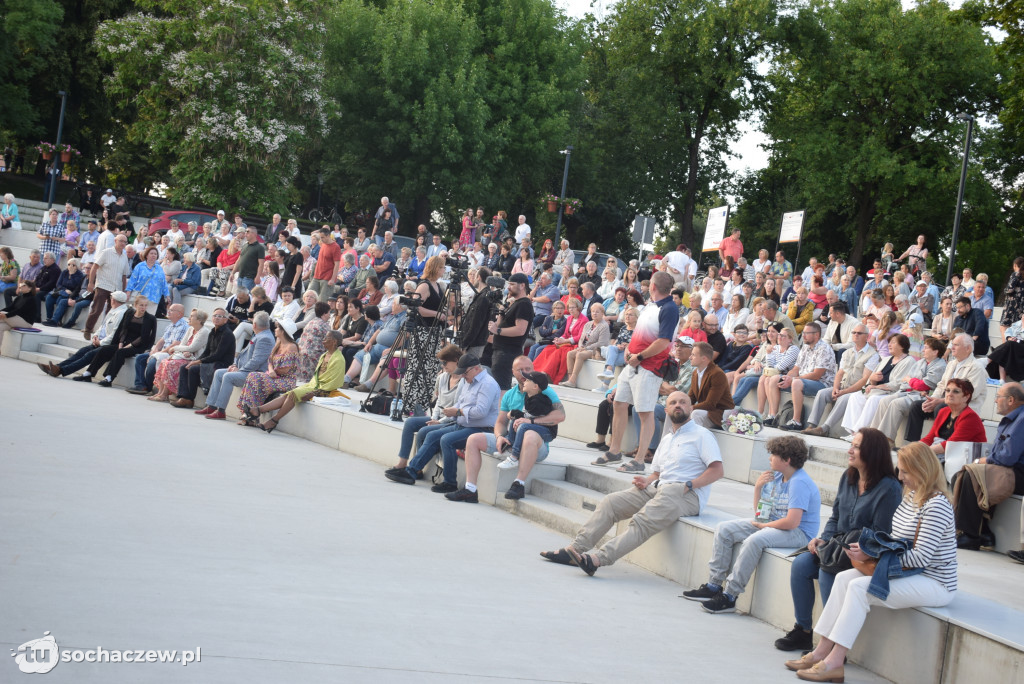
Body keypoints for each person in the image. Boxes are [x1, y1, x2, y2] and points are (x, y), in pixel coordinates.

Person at [785, 442, 956, 683]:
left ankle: (835, 661)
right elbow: (894, 541)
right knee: (844, 578)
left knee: (858, 587)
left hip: (934, 581)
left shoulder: (936, 505)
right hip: (906, 572)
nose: (901, 477)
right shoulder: (911, 498)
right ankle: (820, 651)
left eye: (906, 471)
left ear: (923, 469)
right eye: (901, 470)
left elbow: (921, 558)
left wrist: (873, 556)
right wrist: (868, 549)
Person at [541, 391, 723, 576]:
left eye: (683, 402)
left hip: (687, 494)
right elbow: (658, 473)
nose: (678, 405)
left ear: (691, 408)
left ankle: (598, 559)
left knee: (642, 520)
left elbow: (717, 470)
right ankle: (575, 550)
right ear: (666, 409)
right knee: (610, 503)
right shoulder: (667, 438)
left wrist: (689, 485)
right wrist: (647, 480)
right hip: (659, 488)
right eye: (673, 402)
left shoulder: (702, 435)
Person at [775, 428, 902, 652]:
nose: (849, 450)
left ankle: (831, 644)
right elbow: (835, 517)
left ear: (872, 451)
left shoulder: (889, 488)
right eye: (851, 444)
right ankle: (803, 631)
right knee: (801, 564)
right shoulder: (848, 477)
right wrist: (823, 539)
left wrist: (861, 549)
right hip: (838, 545)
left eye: (856, 446)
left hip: (863, 553)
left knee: (828, 569)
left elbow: (883, 533)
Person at [683, 435, 820, 614]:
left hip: (799, 532)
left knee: (754, 540)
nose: (770, 458)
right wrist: (758, 488)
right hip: (775, 524)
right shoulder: (777, 476)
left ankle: (730, 596)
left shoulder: (799, 483)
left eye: (773, 455)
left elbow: (792, 522)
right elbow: (760, 514)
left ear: (786, 460)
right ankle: (714, 585)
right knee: (724, 529)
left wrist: (764, 527)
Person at [591, 272, 679, 469]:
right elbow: (639, 333)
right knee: (619, 403)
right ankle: (614, 451)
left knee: (645, 412)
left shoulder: (670, 309)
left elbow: (663, 342)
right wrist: (630, 350)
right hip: (634, 363)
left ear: (654, 287)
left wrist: (639, 357)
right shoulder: (650, 306)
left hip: (649, 366)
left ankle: (639, 459)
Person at [385, 353, 501, 492]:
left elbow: (481, 411)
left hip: (481, 429)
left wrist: (457, 412)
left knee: (447, 440)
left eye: (465, 373)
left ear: (476, 368)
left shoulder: (487, 384)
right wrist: (450, 413)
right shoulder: (469, 380)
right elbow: (461, 402)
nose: (463, 376)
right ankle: (411, 471)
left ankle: (450, 482)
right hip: (463, 424)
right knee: (432, 435)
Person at [387, 344, 465, 477]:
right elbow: (439, 401)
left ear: (456, 360)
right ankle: (403, 461)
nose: (443, 366)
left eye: (445, 362)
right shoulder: (443, 377)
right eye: (441, 363)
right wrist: (434, 418)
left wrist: (439, 421)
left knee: (424, 431)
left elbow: (457, 409)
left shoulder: (463, 381)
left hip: (451, 420)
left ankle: (416, 468)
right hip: (439, 417)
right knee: (410, 423)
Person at [249, 330, 347, 433]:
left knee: (293, 394)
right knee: (288, 394)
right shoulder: (324, 355)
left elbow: (333, 383)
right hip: (313, 385)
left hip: (323, 390)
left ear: (334, 342)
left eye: (326, 338)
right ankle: (258, 410)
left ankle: (273, 420)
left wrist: (314, 393)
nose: (323, 340)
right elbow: (316, 378)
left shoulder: (339, 359)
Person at [899, 333, 988, 444]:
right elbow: (941, 385)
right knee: (917, 406)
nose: (952, 347)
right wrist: (932, 400)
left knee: (941, 408)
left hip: (964, 408)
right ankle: (913, 444)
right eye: (952, 344)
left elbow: (970, 395)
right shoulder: (951, 364)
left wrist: (940, 401)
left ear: (968, 348)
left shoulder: (977, 367)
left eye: (956, 345)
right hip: (946, 402)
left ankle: (940, 442)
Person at [796, 324, 878, 436]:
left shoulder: (873, 355)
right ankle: (812, 425)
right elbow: (839, 373)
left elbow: (865, 380)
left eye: (859, 333)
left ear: (866, 336)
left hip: (860, 390)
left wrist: (843, 392)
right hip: (843, 386)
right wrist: (835, 388)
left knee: (843, 398)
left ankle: (824, 428)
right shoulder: (847, 352)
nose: (855, 335)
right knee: (822, 393)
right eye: (854, 333)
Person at [196, 312, 277, 420]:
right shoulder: (260, 334)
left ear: (254, 325)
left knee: (228, 376)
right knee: (219, 373)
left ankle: (220, 410)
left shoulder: (265, 338)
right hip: (246, 370)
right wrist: (234, 364)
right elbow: (243, 355)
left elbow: (256, 361)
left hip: (255, 374)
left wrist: (239, 370)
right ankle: (211, 406)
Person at [37, 292, 130, 379]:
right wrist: (95, 337)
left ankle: (60, 370)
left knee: (88, 355)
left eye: (111, 298)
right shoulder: (113, 310)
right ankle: (57, 367)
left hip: (107, 345)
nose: (109, 299)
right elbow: (102, 326)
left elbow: (114, 334)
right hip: (100, 341)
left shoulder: (121, 313)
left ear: (113, 300)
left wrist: (100, 342)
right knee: (82, 351)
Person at [70, 293, 157, 386]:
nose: (143, 307)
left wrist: (129, 346)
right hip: (124, 342)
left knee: (120, 352)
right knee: (104, 349)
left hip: (137, 345)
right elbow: (124, 329)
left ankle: (109, 378)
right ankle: (88, 374)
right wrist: (120, 342)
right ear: (135, 305)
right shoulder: (129, 313)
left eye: (145, 305)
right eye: (141, 305)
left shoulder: (150, 318)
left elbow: (144, 337)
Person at [230, 320, 302, 424]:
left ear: (283, 331)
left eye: (278, 328)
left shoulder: (292, 346)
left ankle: (250, 415)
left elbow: (286, 369)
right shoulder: (278, 343)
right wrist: (271, 370)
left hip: (286, 380)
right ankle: (248, 413)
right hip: (274, 376)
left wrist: (273, 372)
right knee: (252, 376)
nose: (275, 329)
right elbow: (270, 361)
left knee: (256, 377)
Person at [770, 322, 837, 430]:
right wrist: (788, 377)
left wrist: (793, 379)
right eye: (803, 332)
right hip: (803, 380)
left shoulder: (824, 349)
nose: (803, 335)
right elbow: (796, 369)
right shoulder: (805, 347)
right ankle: (773, 416)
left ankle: (797, 422)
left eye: (807, 333)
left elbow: (816, 375)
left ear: (816, 335)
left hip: (822, 384)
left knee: (796, 383)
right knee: (774, 379)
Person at [172, 308, 236, 409]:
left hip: (221, 363)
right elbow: (207, 352)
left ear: (226, 320)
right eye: (215, 315)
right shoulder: (212, 332)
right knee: (185, 367)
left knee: (193, 369)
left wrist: (198, 361)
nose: (217, 318)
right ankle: (185, 398)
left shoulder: (227, 334)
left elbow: (218, 355)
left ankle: (189, 398)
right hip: (210, 361)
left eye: (220, 316)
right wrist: (195, 361)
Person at [145, 309, 211, 402]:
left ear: (199, 320)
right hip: (184, 355)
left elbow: (192, 348)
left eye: (192, 316)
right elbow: (183, 345)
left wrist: (175, 348)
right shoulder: (190, 329)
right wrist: (183, 350)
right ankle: (160, 392)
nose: (189, 318)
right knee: (164, 362)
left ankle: (164, 394)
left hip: (195, 358)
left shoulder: (204, 332)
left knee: (171, 365)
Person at [488, 273, 534, 390]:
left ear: (522, 285)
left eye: (512, 284)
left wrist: (497, 330)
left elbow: (520, 330)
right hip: (500, 350)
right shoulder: (515, 303)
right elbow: (500, 325)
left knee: (501, 387)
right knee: (496, 386)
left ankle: (502, 408)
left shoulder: (524, 304)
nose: (509, 287)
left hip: (507, 352)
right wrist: (501, 313)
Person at [921, 378, 987, 461]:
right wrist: (915, 448)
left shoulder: (970, 417)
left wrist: (921, 452)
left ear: (966, 397)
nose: (949, 394)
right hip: (944, 455)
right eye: (947, 390)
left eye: (956, 391)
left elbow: (951, 444)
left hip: (963, 462)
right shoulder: (943, 411)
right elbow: (930, 437)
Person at [83, 234, 132, 340]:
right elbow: (94, 267)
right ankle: (88, 329)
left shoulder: (124, 256)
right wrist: (91, 283)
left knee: (112, 313)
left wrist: (123, 290)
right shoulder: (106, 252)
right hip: (103, 285)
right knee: (97, 309)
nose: (123, 243)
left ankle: (105, 333)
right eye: (121, 241)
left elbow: (124, 275)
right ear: (115, 241)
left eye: (125, 242)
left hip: (116, 288)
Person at [687, 341, 735, 430]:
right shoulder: (695, 373)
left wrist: (690, 407)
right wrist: (680, 405)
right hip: (706, 411)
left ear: (704, 358)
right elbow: (691, 397)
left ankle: (694, 442)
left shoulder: (717, 373)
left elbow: (710, 404)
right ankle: (667, 441)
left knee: (696, 413)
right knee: (674, 411)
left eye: (693, 355)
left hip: (719, 414)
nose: (690, 357)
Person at [125, 246, 170, 316]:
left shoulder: (159, 268)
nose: (153, 255)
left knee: (148, 320)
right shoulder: (140, 266)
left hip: (154, 298)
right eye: (151, 253)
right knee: (136, 317)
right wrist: (128, 292)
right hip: (141, 297)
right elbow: (132, 280)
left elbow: (163, 283)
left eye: (155, 254)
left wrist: (167, 296)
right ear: (146, 255)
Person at [42, 259, 86, 326]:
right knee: (49, 298)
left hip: (72, 294)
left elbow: (76, 287)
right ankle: (49, 318)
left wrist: (72, 275)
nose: (70, 266)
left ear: (77, 266)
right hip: (62, 291)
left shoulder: (80, 275)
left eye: (73, 265)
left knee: (61, 298)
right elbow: (58, 284)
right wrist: (65, 289)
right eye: (69, 264)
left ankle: (57, 320)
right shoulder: (64, 272)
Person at [0, 280, 39, 346]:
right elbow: (10, 308)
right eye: (21, 285)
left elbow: (19, 310)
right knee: (0, 327)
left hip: (26, 322)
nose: (21, 287)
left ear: (30, 288)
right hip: (16, 320)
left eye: (24, 285)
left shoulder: (31, 299)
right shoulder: (19, 297)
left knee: (3, 314)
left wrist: (6, 315)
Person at [230, 226, 265, 292]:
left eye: (248, 232)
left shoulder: (259, 247)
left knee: (246, 297)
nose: (245, 234)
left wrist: (258, 276)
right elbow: (239, 260)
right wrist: (232, 273)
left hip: (250, 277)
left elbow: (261, 264)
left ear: (254, 234)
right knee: (239, 297)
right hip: (240, 275)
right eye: (245, 232)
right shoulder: (245, 245)